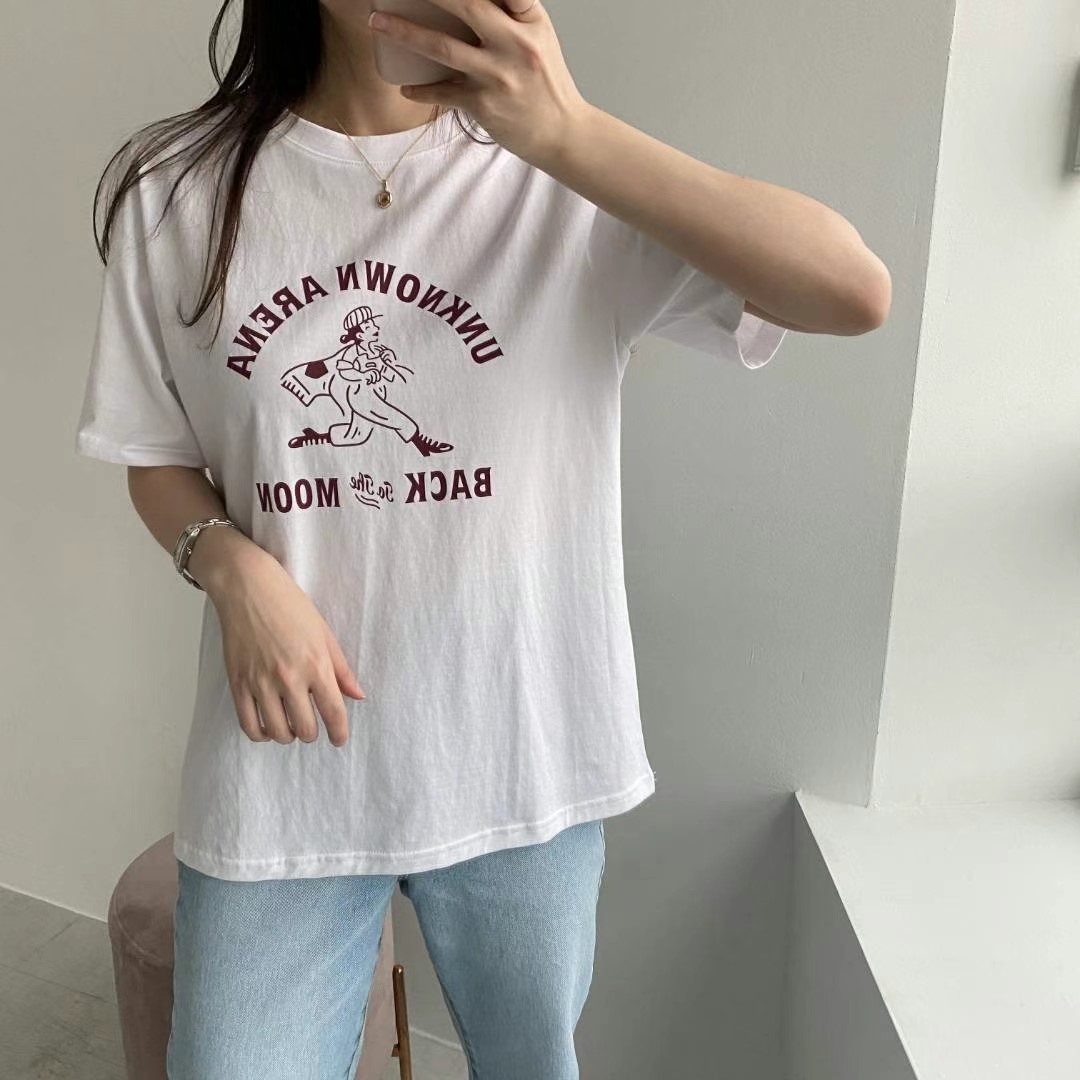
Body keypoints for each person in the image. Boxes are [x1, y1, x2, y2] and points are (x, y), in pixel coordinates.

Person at [74, 1, 890, 1076]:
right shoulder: (177, 189)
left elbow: (852, 291)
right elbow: (153, 453)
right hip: (285, 761)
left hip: (521, 754)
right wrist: (230, 567)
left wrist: (568, 133)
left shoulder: (563, 178)